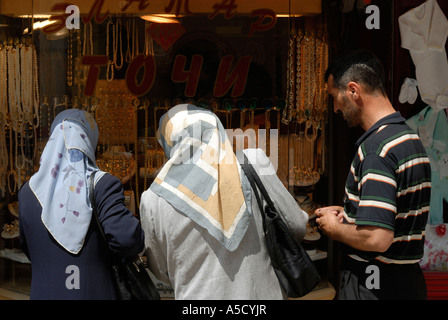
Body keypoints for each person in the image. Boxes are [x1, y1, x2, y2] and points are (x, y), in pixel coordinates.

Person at [139, 104, 308, 299]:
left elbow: (160, 270)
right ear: (217, 130)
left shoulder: (154, 198)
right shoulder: (253, 162)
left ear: (170, 142)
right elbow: (296, 225)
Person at [315, 50, 432, 300]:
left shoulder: (377, 149)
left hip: (374, 285)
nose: (335, 108)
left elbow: (377, 238)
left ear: (354, 91)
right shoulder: (409, 138)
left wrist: (334, 229)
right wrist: (349, 214)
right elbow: (396, 214)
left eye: (335, 97)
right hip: (406, 283)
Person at [19, 109, 144, 299]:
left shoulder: (28, 191)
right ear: (88, 142)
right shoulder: (103, 185)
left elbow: (28, 246)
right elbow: (127, 240)